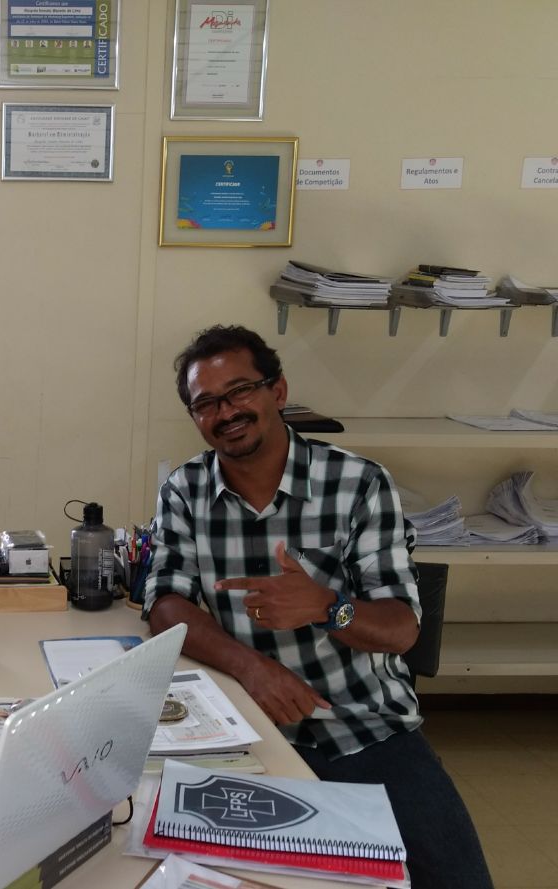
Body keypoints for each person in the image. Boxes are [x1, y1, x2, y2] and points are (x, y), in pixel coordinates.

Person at [141, 325, 491, 889]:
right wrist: (254, 670)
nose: (226, 412)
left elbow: (402, 629)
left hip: (364, 727)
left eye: (240, 391)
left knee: (458, 880)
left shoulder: (359, 483)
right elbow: (165, 603)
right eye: (206, 403)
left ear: (277, 390)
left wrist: (330, 607)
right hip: (245, 730)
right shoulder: (185, 490)